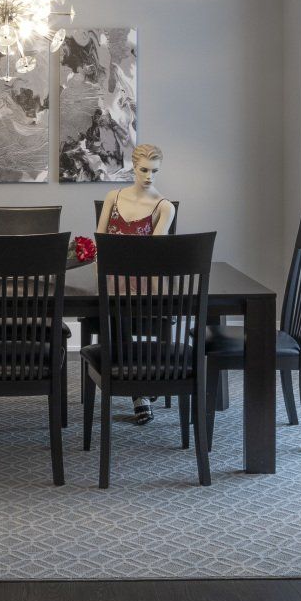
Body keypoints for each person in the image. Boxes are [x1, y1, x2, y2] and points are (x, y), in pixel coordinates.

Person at [96, 143, 176, 425]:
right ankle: (138, 387)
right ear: (133, 167)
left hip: (143, 281)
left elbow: (152, 256)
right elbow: (101, 241)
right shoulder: (113, 197)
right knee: (117, 314)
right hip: (111, 280)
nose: (149, 176)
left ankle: (138, 389)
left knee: (126, 314)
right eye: (143, 169)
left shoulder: (163, 207)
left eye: (154, 171)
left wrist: (160, 298)